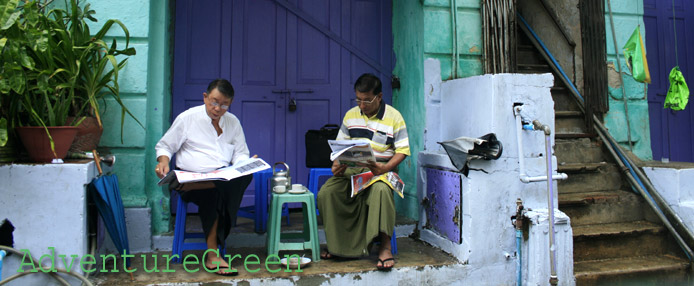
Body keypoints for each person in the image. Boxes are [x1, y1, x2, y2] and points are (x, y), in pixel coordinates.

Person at [154, 79, 252, 276]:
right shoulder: (188, 118)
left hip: (219, 178)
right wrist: (163, 161)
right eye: (214, 102)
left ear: (230, 103)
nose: (218, 108)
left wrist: (244, 164)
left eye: (224, 105)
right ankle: (212, 254)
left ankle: (209, 184)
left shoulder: (233, 122)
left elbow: (241, 154)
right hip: (190, 177)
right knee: (215, 193)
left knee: (244, 176)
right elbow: (165, 146)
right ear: (205, 97)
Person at [317, 73, 410, 270]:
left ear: (379, 96)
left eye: (367, 100)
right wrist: (337, 165)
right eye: (358, 100)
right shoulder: (351, 116)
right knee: (327, 193)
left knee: (382, 192)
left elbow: (402, 150)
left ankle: (384, 247)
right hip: (352, 171)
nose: (362, 105)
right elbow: (339, 147)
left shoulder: (394, 117)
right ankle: (339, 247)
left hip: (380, 172)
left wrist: (384, 168)